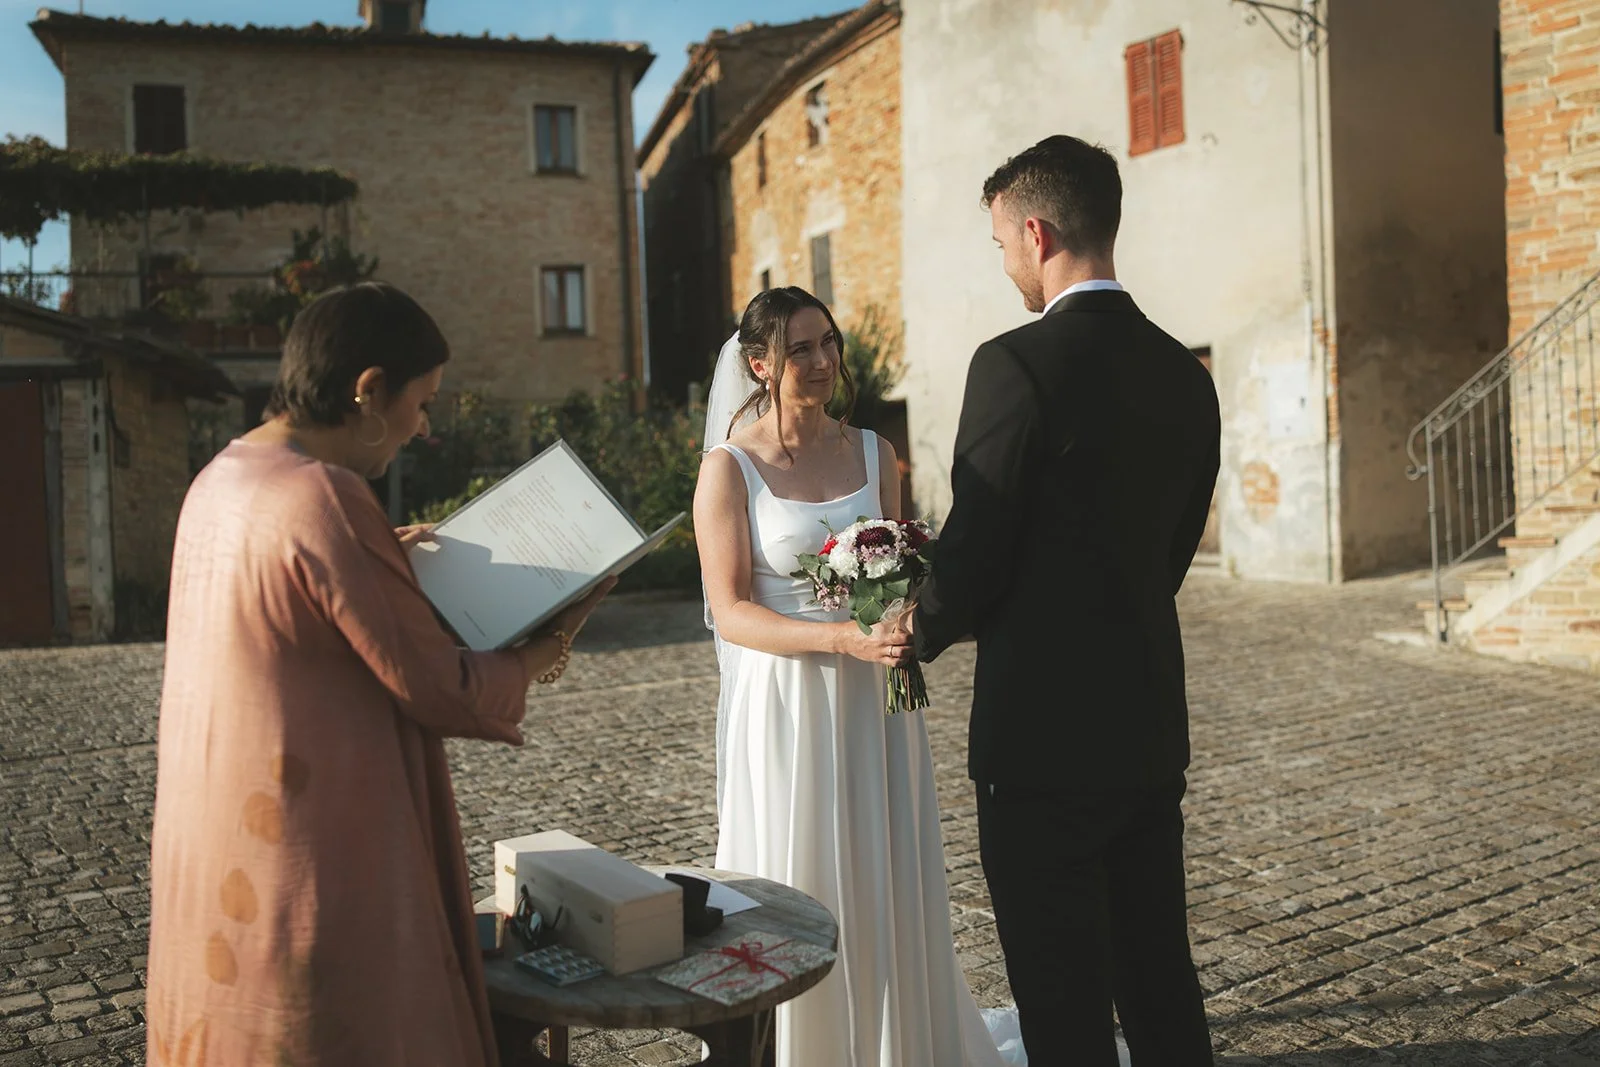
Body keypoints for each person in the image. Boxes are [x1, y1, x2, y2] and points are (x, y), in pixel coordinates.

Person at [144, 282, 614, 1067]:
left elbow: (281, 588)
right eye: (422, 402)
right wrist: (549, 641)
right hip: (308, 847)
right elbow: (438, 687)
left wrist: (383, 552)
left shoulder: (220, 476)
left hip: (216, 846)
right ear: (367, 391)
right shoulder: (326, 496)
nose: (424, 427)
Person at [908, 134, 1220, 1066]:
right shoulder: (1184, 372)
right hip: (1145, 723)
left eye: (1002, 243)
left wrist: (912, 625)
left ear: (1036, 232)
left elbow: (976, 547)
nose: (1006, 263)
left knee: (1060, 998)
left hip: (1041, 739)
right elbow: (1171, 550)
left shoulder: (1014, 364)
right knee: (1161, 978)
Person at [695, 286, 1015, 1067]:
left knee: (884, 871)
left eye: (829, 342)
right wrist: (839, 635)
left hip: (878, 697)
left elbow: (906, 572)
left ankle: (897, 1042)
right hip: (787, 701)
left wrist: (913, 617)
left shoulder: (876, 452)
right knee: (797, 872)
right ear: (760, 364)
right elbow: (731, 611)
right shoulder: (730, 469)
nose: (822, 360)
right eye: (799, 348)